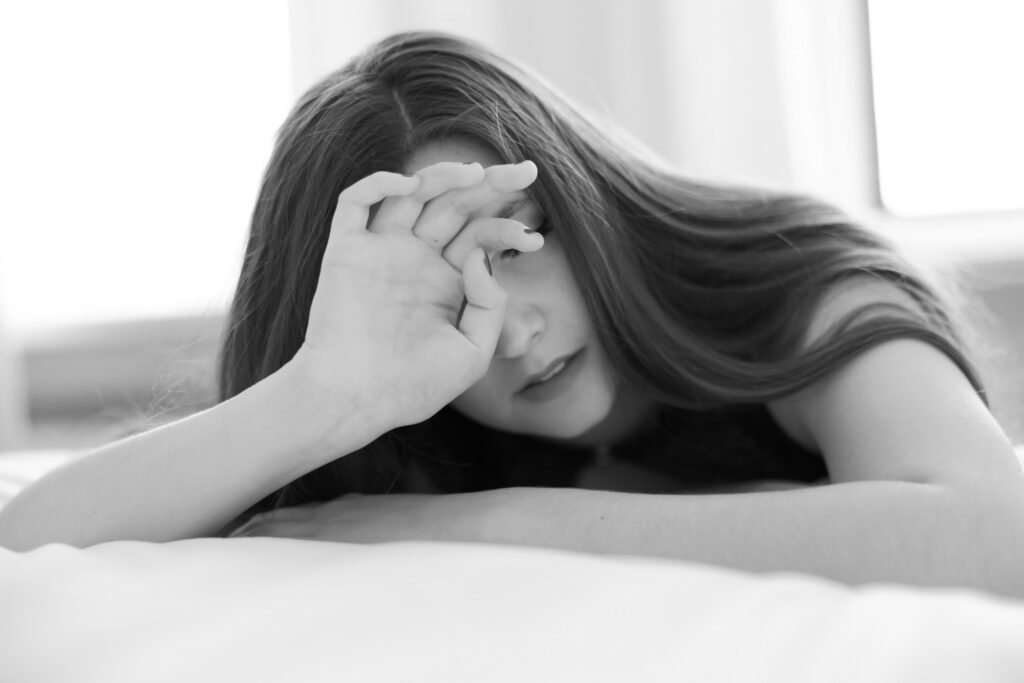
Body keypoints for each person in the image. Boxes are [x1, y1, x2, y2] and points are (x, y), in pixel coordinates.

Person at [1, 31, 1021, 595]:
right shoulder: (396, 415)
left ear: (584, 198)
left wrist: (483, 524)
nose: (513, 329)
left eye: (518, 244)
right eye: (445, 283)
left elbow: (995, 535)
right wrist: (320, 395)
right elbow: (28, 547)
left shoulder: (788, 275)